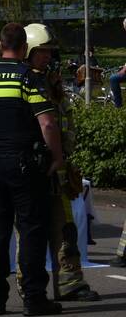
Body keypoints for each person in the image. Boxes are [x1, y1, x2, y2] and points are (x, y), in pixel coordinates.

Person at [0, 22, 64, 317]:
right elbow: (47, 122)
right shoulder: (28, 78)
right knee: (32, 229)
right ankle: (34, 298)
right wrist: (56, 157)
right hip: (23, 164)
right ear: (24, 48)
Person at [17, 23, 100, 301]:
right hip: (34, 169)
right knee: (31, 230)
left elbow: (64, 121)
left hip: (59, 168)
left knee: (65, 227)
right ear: (27, 51)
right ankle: (28, 284)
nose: (48, 57)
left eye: (50, 51)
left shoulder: (50, 82)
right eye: (42, 51)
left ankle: (70, 284)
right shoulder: (23, 82)